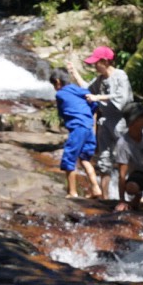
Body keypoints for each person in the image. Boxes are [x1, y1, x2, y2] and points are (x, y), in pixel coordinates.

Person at [69, 45, 134, 199]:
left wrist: (98, 98)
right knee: (104, 160)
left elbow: (122, 97)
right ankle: (105, 198)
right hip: (104, 124)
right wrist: (74, 73)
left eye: (96, 63)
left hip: (121, 122)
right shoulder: (99, 80)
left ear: (105, 61)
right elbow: (87, 89)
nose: (94, 66)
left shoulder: (120, 75)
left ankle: (128, 197)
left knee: (124, 160)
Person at [51, 71, 103, 199]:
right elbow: (94, 102)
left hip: (78, 128)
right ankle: (96, 188)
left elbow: (62, 113)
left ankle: (72, 192)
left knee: (69, 159)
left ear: (58, 82)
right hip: (88, 127)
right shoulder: (79, 90)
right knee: (85, 159)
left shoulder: (60, 94)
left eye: (53, 84)